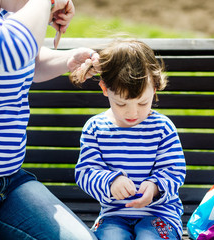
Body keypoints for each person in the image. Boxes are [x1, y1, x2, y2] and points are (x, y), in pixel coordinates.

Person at [0, 0, 98, 239]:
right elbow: (8, 50)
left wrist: (67, 59)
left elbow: (28, 62)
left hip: (9, 183)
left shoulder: (1, 16)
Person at [73, 39, 186, 240]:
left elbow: (173, 170)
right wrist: (110, 181)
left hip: (159, 215)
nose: (133, 113)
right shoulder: (95, 128)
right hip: (114, 216)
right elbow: (86, 172)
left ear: (156, 87)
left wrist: (155, 187)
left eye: (143, 103)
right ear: (105, 89)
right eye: (121, 104)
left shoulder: (162, 128)